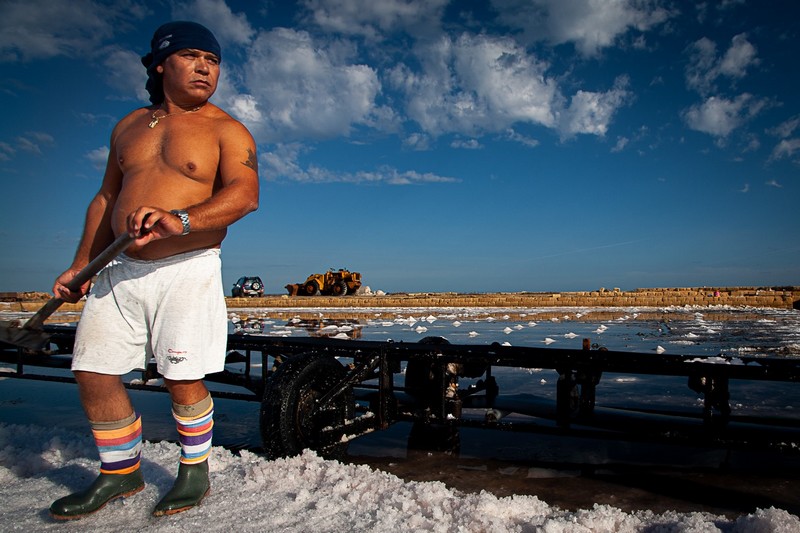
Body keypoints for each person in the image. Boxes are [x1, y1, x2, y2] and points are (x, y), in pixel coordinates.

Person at [48, 21, 259, 520]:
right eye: (192, 56)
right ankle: (121, 471)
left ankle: (194, 471)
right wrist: (80, 265)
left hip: (186, 266)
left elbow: (245, 196)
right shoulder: (128, 126)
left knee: (181, 376)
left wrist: (179, 220)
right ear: (161, 64)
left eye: (213, 61)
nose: (205, 68)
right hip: (118, 267)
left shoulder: (227, 129)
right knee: (92, 370)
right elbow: (106, 198)